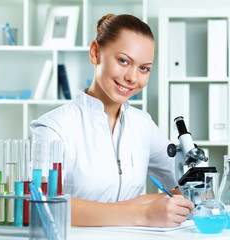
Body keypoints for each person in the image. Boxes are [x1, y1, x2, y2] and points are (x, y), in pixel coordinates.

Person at [30, 14, 194, 227]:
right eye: (123, 61)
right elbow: (42, 204)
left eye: (144, 68)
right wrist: (142, 210)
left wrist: (157, 203)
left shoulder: (143, 125)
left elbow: (192, 189)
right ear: (95, 53)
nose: (132, 78)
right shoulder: (53, 128)